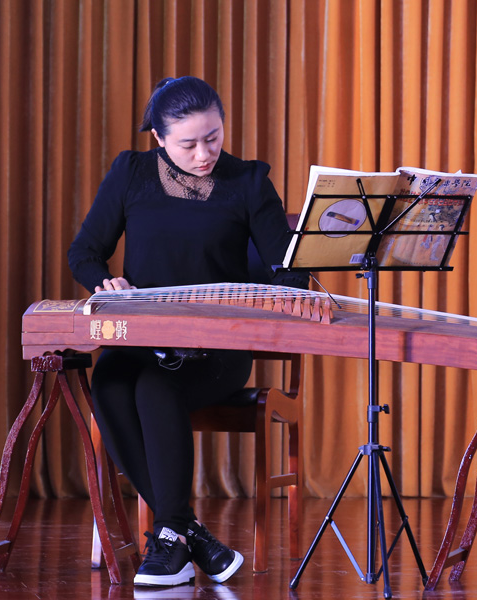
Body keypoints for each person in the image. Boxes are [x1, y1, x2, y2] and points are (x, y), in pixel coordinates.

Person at [68, 76, 307, 587]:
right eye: (188, 143)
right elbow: (84, 252)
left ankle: (171, 542)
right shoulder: (131, 173)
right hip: (143, 339)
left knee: (157, 388)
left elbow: (289, 271)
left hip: (217, 350)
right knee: (109, 382)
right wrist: (103, 281)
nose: (204, 154)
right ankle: (187, 533)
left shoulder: (248, 182)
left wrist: (282, 287)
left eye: (213, 138)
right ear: (158, 137)